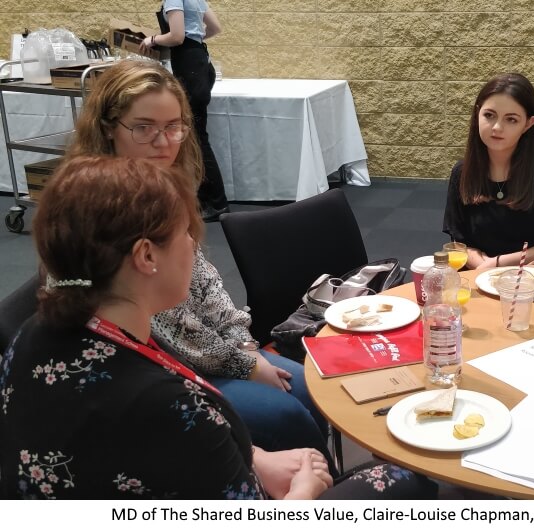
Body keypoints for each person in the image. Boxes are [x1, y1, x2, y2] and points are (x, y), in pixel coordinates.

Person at [0, 156, 435, 499]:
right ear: (146, 257)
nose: (194, 244)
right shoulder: (173, 408)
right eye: (184, 233)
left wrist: (251, 457)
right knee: (401, 480)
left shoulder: (35, 334)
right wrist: (304, 492)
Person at [66, 60, 334, 466]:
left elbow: (204, 281)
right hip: (148, 369)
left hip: (205, 351)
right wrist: (244, 362)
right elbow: (161, 325)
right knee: (287, 413)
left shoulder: (162, 187)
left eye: (173, 126)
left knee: (309, 385)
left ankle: (314, 482)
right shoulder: (95, 208)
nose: (163, 141)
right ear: (108, 128)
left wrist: (244, 343)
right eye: (144, 127)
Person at [443, 72, 534, 269]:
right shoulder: (462, 173)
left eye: (511, 119)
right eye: (489, 115)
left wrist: (499, 264)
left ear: (528, 124)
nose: (497, 127)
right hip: (483, 276)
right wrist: (483, 267)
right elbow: (459, 244)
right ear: (477, 114)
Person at [140, 0, 228, 221]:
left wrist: (152, 40)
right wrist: (195, 41)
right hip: (201, 63)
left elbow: (176, 36)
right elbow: (215, 28)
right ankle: (205, 198)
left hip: (189, 67)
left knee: (198, 137)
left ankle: (217, 202)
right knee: (197, 136)